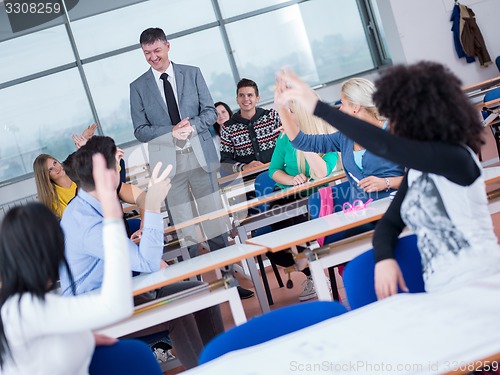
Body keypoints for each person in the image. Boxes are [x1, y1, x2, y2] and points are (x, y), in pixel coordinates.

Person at [275, 62, 500, 299]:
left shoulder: (456, 158)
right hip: (439, 288)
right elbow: (388, 225)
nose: (393, 119)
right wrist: (384, 258)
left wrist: (317, 107)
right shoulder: (417, 172)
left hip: (482, 284)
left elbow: (385, 144)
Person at [60, 136, 225, 369]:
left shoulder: (90, 202)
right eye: (117, 165)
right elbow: (147, 262)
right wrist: (154, 204)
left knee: (201, 293)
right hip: (95, 314)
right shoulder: (88, 223)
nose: (120, 168)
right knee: (177, 312)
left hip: (119, 294)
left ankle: (220, 362)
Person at [130, 27, 254, 299]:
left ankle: (229, 279)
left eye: (156, 51)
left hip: (200, 160)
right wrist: (170, 132)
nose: (152, 57)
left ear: (167, 46)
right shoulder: (137, 87)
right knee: (184, 230)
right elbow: (140, 130)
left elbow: (210, 112)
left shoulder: (192, 73)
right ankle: (195, 290)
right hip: (169, 168)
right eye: (147, 53)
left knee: (215, 224)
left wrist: (192, 127)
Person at [0, 153, 138, 374]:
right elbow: (116, 306)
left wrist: (84, 339)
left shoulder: (16, 308)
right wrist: (112, 217)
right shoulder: (33, 308)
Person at [277, 77, 404, 203]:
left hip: (396, 207)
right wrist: (281, 106)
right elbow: (302, 142)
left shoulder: (397, 132)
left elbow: (421, 176)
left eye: (342, 103)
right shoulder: (345, 136)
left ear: (355, 107)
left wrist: (387, 183)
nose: (340, 109)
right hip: (362, 212)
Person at [266, 101, 340, 301]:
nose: (284, 115)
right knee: (272, 245)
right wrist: (291, 180)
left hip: (316, 197)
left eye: (289, 111)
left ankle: (312, 268)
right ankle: (310, 270)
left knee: (300, 217)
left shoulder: (326, 136)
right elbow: (273, 170)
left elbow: (321, 172)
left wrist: (299, 139)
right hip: (286, 196)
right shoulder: (283, 138)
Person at [220, 78, 282, 174]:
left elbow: (290, 141)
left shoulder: (272, 116)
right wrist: (244, 167)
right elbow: (225, 162)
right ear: (237, 99)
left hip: (280, 172)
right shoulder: (228, 128)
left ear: (257, 98)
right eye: (241, 95)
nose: (246, 99)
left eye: (250, 95)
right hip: (250, 179)